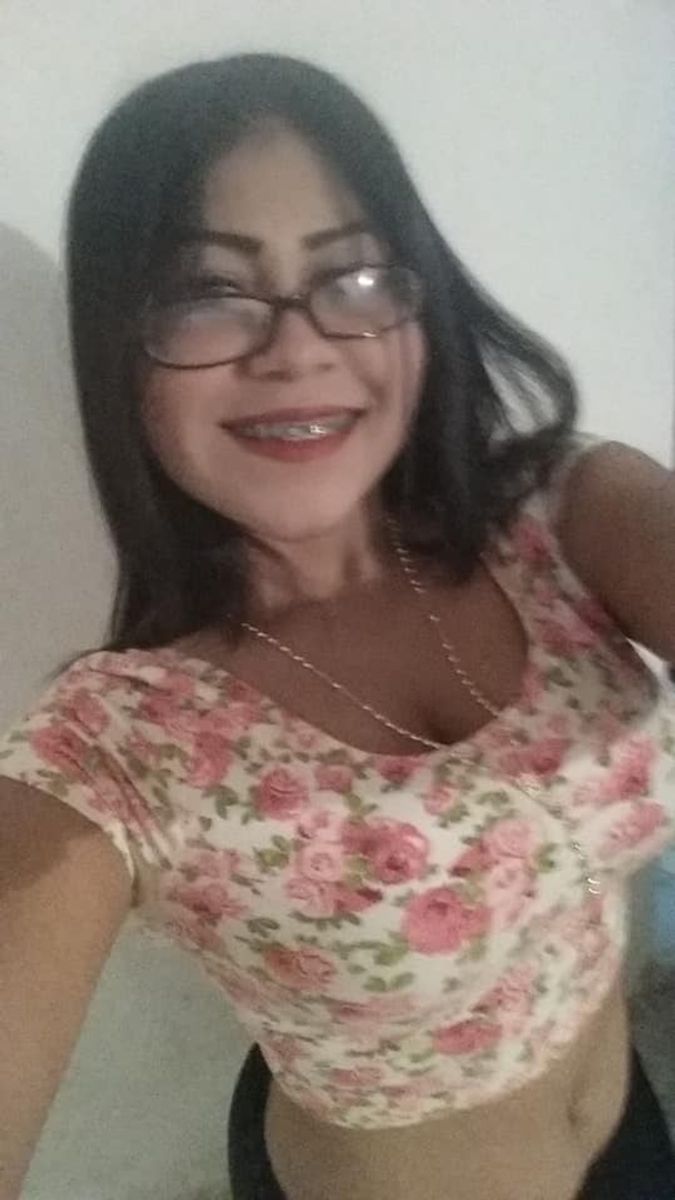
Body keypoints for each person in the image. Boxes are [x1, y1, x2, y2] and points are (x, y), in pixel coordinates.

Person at [0, 52, 674, 1200]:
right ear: (123, 348)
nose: (300, 347)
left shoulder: (565, 514)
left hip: (637, 1132)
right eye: (207, 293)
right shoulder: (118, 744)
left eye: (353, 275)